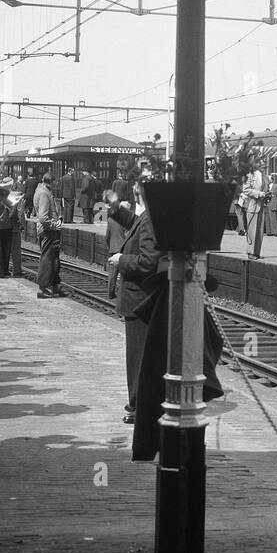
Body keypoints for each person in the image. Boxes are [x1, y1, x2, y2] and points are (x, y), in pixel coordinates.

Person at [107, 169, 162, 424]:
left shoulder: (151, 219)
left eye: (138, 185)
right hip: (139, 299)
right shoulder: (148, 216)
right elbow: (135, 226)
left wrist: (121, 260)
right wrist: (117, 208)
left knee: (138, 358)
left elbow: (148, 261)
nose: (135, 188)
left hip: (139, 300)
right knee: (139, 357)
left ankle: (139, 406)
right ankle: (139, 402)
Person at [32, 172, 66, 297]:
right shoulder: (44, 193)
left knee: (54, 260)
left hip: (51, 231)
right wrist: (53, 224)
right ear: (52, 182)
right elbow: (43, 217)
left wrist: (58, 218)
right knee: (47, 259)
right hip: (48, 231)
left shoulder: (44, 191)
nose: (57, 184)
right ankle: (42, 288)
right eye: (56, 182)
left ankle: (55, 285)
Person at [240, 162, 269, 259]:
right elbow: (246, 190)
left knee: (260, 231)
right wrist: (259, 193)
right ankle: (250, 252)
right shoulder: (249, 175)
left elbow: (266, 188)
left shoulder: (264, 175)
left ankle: (257, 252)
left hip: (261, 206)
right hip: (252, 206)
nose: (262, 164)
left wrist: (267, 195)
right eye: (260, 162)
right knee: (252, 230)